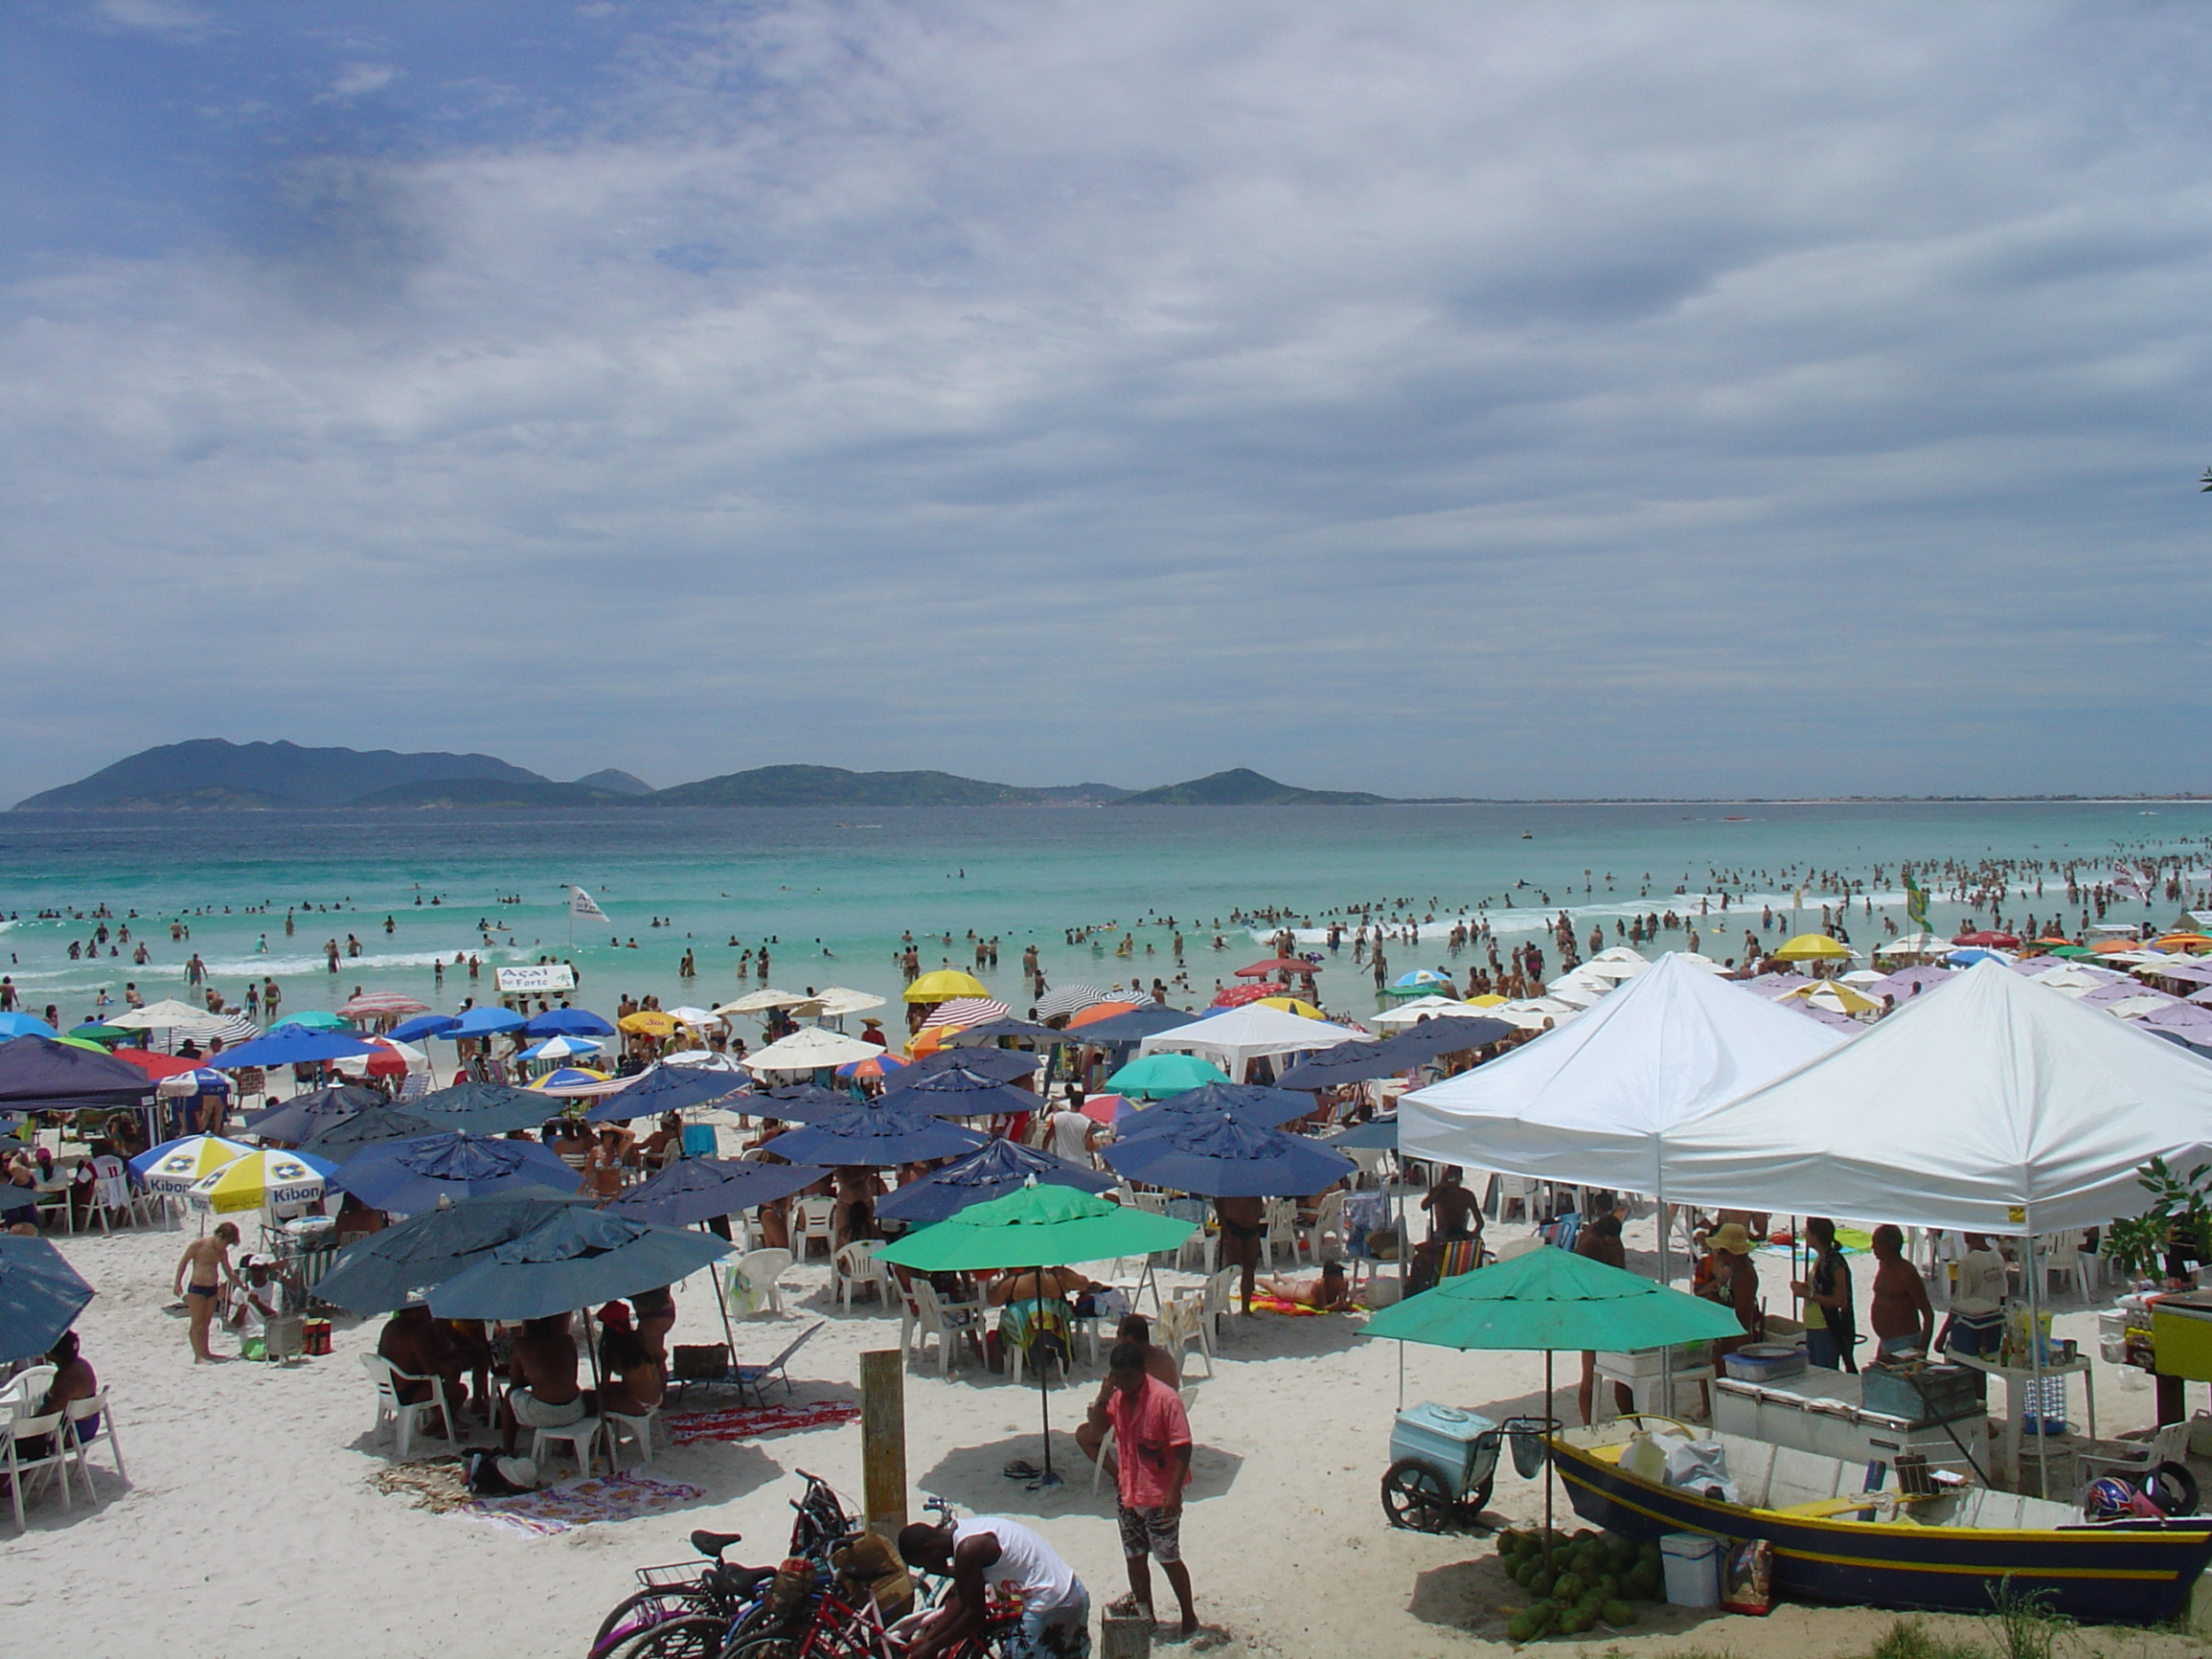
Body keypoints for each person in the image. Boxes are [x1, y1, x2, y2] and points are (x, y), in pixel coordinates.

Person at [896, 1512, 1091, 1659]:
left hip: (1052, 1606)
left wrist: (934, 1646)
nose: (927, 1570)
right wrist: (928, 1638)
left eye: (923, 1565)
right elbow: (961, 1599)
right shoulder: (963, 1531)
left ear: (930, 1551)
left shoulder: (969, 1549)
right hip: (1073, 1593)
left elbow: (974, 1614)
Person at [1102, 1341, 1197, 1637]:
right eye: (1117, 1377)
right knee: (1134, 1556)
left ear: (1141, 1373)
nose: (1122, 1383)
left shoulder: (1165, 1399)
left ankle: (1188, 1616)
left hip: (1159, 1494)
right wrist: (1102, 1395)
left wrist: (1173, 1493)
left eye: (1127, 1377)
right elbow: (1095, 1429)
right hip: (1129, 1491)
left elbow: (1183, 1447)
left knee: (1167, 1557)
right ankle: (1147, 1618)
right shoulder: (1117, 1398)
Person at [1077, 1314, 1180, 1465]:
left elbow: (1117, 1410)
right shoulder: (1163, 1356)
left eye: (1118, 1335)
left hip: (1145, 1429)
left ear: (1129, 1340)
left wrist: (1099, 1406)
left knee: (1083, 1434)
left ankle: (1117, 1476)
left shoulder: (1133, 1370)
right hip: (1168, 1422)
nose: (1116, 1340)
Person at [1573, 1213, 1636, 1423]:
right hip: (1591, 1310)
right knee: (1590, 1373)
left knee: (1625, 1369)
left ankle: (1629, 1416)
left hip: (1616, 1307)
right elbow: (1578, 1283)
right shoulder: (1586, 1246)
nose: (1612, 1248)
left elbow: (1622, 1272)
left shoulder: (1616, 1243)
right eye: (1608, 1245)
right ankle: (1588, 1424)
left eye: (1614, 1244)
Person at [499, 1313, 585, 1456]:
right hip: (575, 1410)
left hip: (543, 1414)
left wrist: (534, 1377)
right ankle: (566, 1448)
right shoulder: (567, 1340)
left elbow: (515, 1384)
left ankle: (508, 1449)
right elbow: (572, 1376)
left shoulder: (521, 1345)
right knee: (570, 1390)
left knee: (509, 1395)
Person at [378, 1304, 467, 1434]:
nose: (429, 1313)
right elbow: (430, 1370)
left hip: (388, 1388)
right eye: (426, 1309)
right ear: (415, 1310)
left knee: (447, 1373)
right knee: (460, 1391)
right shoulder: (413, 1332)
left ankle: (443, 1418)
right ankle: (432, 1428)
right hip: (408, 1392)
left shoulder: (390, 1326)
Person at [1790, 1216, 1859, 1372]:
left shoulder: (1834, 1263)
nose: (1805, 1235)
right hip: (1814, 1326)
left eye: (1807, 1232)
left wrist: (1808, 1294)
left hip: (1826, 1327)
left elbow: (1841, 1300)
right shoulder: (1821, 1259)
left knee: (1824, 1374)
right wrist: (1805, 1288)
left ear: (1815, 1236)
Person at [173, 1222, 241, 1363]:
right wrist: (177, 1283)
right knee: (197, 1323)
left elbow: (228, 1271)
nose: (225, 1246)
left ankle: (206, 1352)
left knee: (206, 1322)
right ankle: (198, 1356)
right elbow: (184, 1262)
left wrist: (241, 1285)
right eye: (226, 1242)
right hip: (197, 1287)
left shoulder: (222, 1252)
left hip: (212, 1288)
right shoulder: (198, 1245)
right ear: (219, 1236)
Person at [1868, 1223, 1935, 1354]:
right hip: (1885, 1342)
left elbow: (1928, 1313)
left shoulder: (1907, 1272)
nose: (1872, 1247)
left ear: (1887, 1247)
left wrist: (1922, 1350)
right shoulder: (1883, 1266)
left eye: (1876, 1243)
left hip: (1906, 1342)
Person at [592, 1304, 667, 1418]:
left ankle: (605, 1432)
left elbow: (604, 1388)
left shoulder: (610, 1351)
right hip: (657, 1398)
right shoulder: (640, 1337)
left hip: (638, 1405)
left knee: (591, 1398)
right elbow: (661, 1359)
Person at [1704, 1220, 1763, 1360]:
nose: (1719, 1254)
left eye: (1722, 1251)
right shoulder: (1732, 1270)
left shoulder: (1744, 1276)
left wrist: (1716, 1303)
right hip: (1727, 1337)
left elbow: (1741, 1318)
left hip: (1735, 1343)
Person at [1945, 1233, 2009, 1357]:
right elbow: (2003, 1294)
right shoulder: (1997, 1257)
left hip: (1970, 1327)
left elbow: (1960, 1305)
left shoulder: (1967, 1262)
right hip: (1992, 1324)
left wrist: (1943, 1334)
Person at [1214, 1195, 1265, 1314]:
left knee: (1250, 1267)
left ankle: (1246, 1308)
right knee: (1231, 1267)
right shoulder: (1232, 1180)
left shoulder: (1257, 1180)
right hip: (1232, 1224)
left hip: (1252, 1225)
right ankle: (1217, 1304)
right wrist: (1223, 1223)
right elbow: (1218, 1198)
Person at [1257, 1260, 1352, 1309]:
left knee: (1294, 1283)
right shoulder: (1320, 1285)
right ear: (1328, 1277)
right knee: (1274, 1288)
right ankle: (1255, 1279)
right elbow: (1323, 1307)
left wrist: (1345, 1304)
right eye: (1336, 1275)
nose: (1340, 1277)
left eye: (1340, 1274)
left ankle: (1280, 1277)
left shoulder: (1344, 1283)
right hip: (1295, 1293)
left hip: (1304, 1288)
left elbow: (1341, 1304)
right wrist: (1338, 1305)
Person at [1421, 1166, 1479, 1241]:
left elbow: (1480, 1222)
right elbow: (1424, 1206)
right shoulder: (1439, 1192)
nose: (1453, 1176)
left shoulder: (1466, 1195)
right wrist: (1441, 1185)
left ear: (1460, 1178)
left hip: (1460, 1231)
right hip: (1442, 1233)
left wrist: (1473, 1234)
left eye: (1455, 1174)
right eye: (1451, 1173)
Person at [1046, 1100, 1099, 1165]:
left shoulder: (1057, 1117)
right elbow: (1089, 1147)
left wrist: (1045, 1156)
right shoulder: (1086, 1122)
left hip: (1062, 1161)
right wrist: (1098, 1145)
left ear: (1070, 1102)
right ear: (1082, 1104)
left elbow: (1047, 1139)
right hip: (1081, 1163)